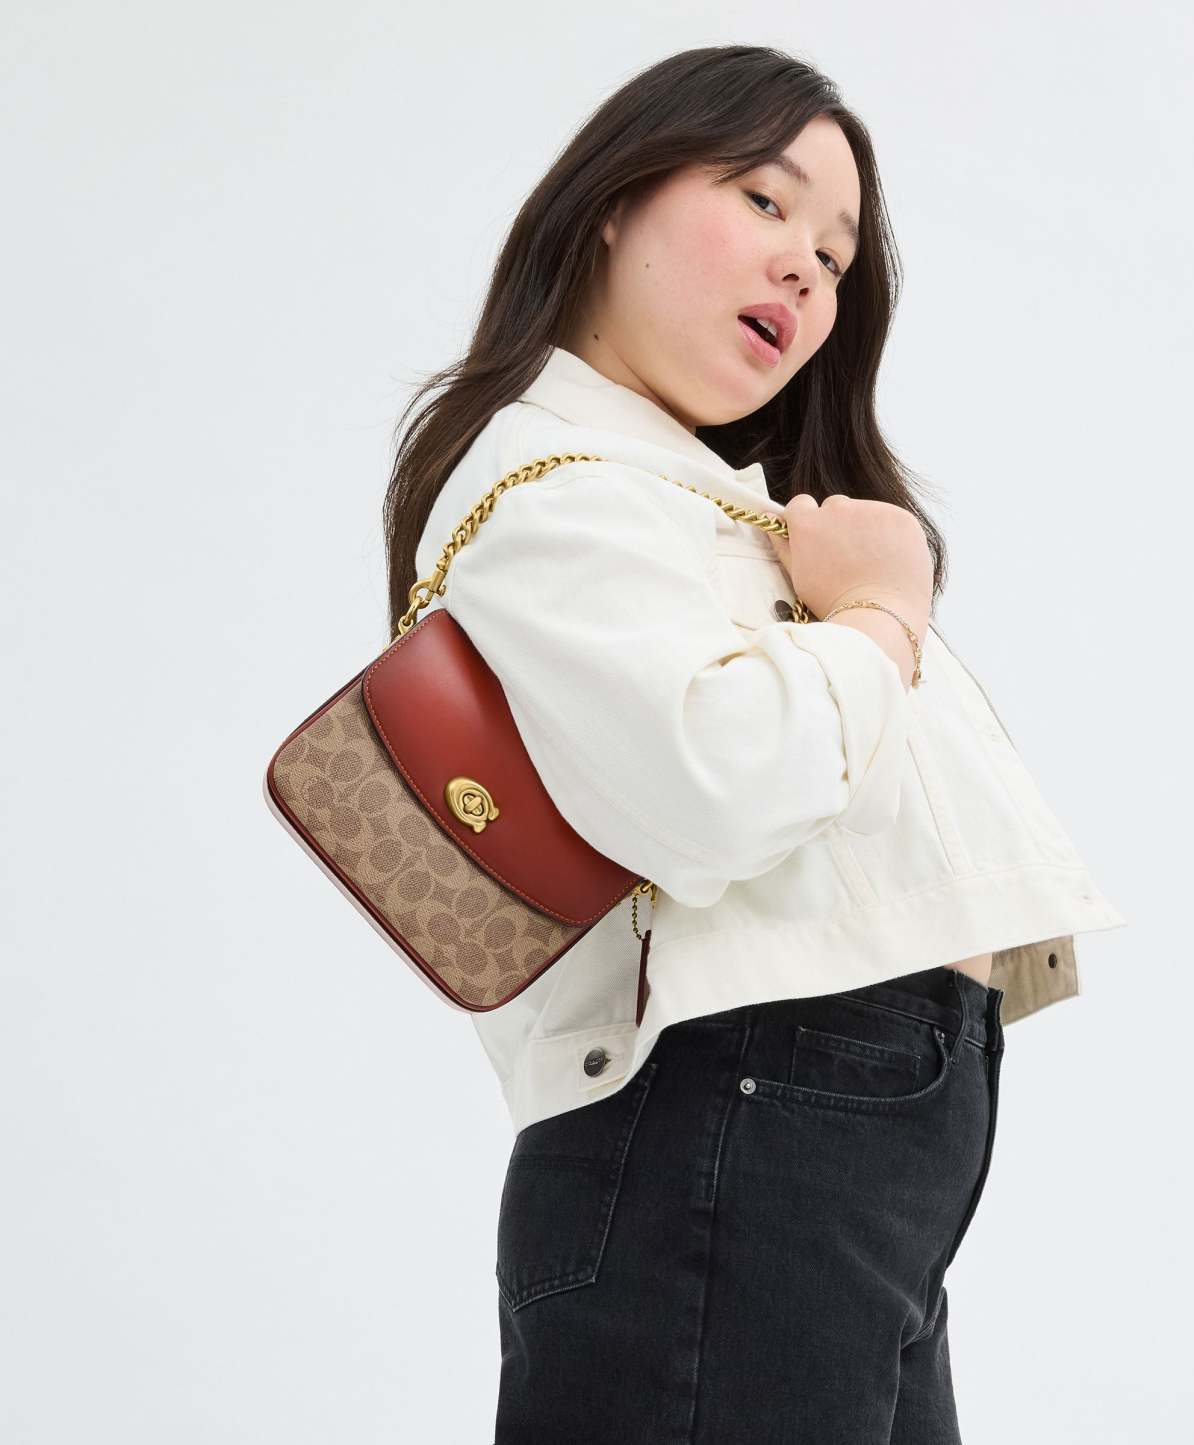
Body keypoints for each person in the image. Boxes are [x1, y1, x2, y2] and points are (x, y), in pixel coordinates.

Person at [381, 43, 1126, 1444]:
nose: (805, 269)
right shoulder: (554, 482)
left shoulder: (686, 495)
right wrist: (880, 616)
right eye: (765, 200)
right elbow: (716, 783)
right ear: (616, 199)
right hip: (733, 1126)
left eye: (836, 258)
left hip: (817, 1148)